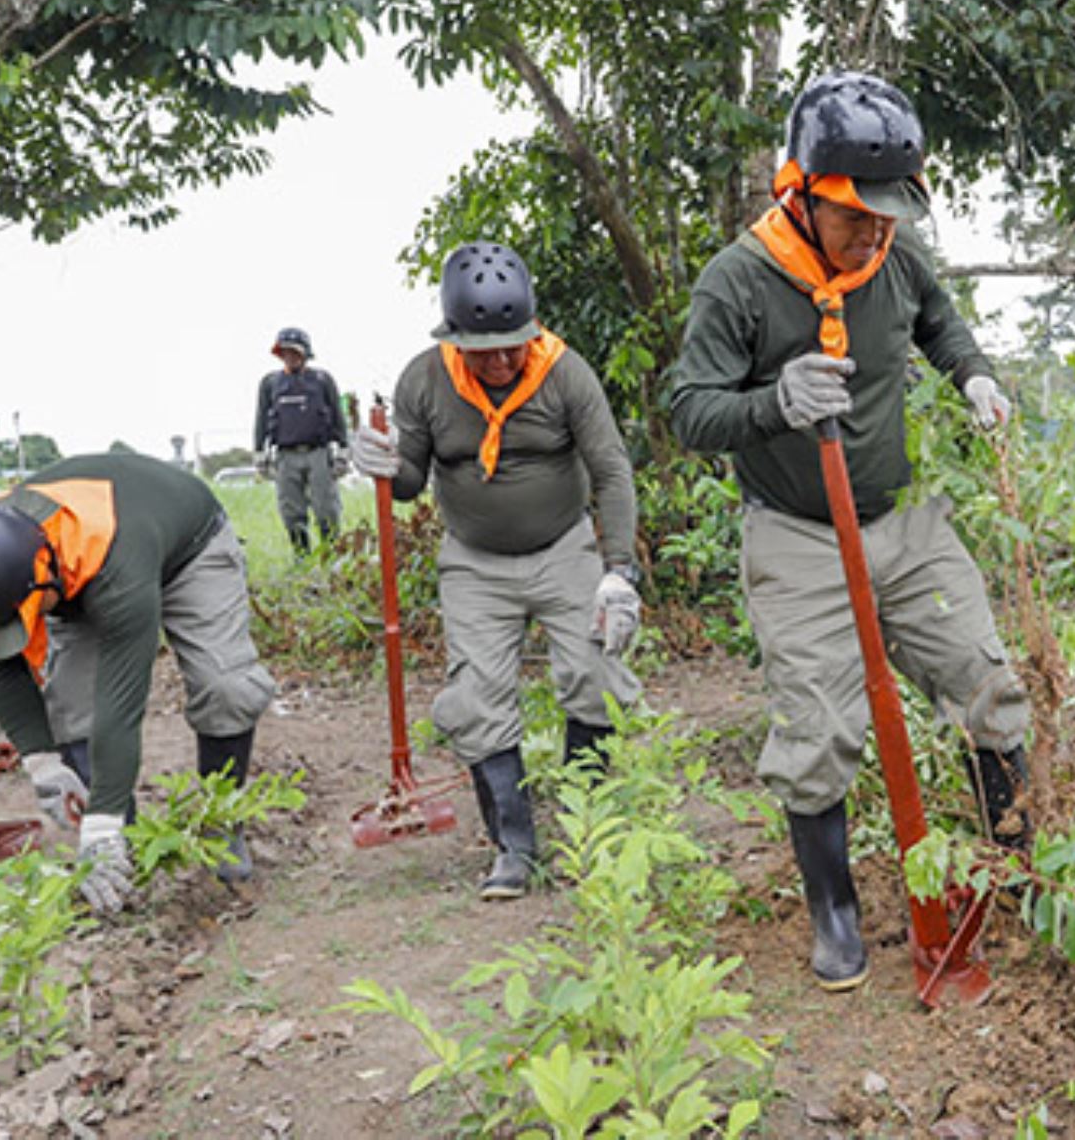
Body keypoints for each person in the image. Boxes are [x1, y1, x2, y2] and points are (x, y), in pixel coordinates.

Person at [668, 70, 1030, 993]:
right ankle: (834, 911)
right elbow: (690, 411)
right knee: (818, 731)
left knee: (986, 680)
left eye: (888, 213)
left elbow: (941, 326)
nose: (873, 230)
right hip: (798, 535)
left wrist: (973, 375)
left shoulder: (895, 259)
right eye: (854, 214)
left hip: (901, 525)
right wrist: (773, 401)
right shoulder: (740, 281)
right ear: (803, 191)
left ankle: (1020, 864)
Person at [349, 241, 642, 902]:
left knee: (596, 675)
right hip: (475, 561)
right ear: (455, 340)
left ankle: (584, 830)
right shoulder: (424, 381)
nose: (504, 361)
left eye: (515, 344)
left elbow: (612, 471)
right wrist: (380, 463)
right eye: (488, 350)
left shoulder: (566, 374)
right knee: (476, 699)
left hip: (564, 548)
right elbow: (409, 481)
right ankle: (514, 846)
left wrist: (618, 572)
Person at [0, 454, 277, 913]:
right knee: (73, 707)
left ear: (42, 573)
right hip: (73, 572)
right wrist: (43, 763)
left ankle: (220, 822)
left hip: (186, 545)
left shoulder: (111, 565)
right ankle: (121, 855)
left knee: (225, 685)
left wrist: (100, 821)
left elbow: (121, 697)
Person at [253, 327, 347, 554]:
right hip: (286, 456)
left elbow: (337, 416)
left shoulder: (322, 380)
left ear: (305, 353)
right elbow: (261, 418)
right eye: (284, 352)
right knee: (291, 510)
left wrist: (343, 452)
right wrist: (259, 454)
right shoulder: (270, 383)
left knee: (327, 509)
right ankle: (302, 557)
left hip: (318, 453)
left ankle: (331, 556)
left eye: (294, 351)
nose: (289, 356)